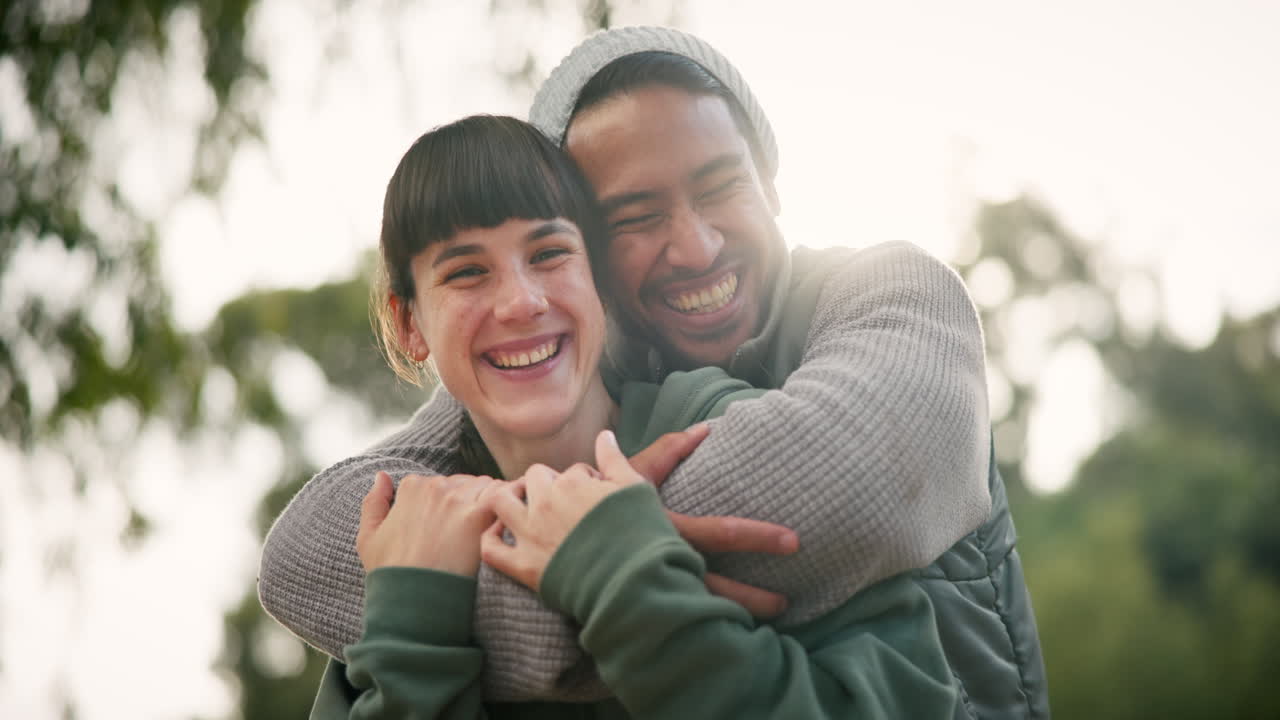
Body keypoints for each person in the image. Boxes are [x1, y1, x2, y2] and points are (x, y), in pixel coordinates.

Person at [262, 26, 1048, 718]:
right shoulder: (538, 393)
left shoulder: (887, 295)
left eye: (721, 186)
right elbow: (308, 547)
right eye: (635, 216)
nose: (698, 246)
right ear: (598, 258)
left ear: (772, 186)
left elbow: (844, 482)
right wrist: (419, 597)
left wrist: (593, 562)